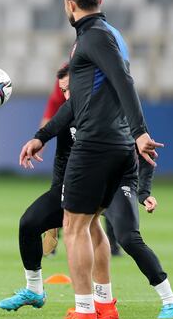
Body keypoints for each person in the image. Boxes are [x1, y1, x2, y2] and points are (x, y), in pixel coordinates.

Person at [21, 0, 163, 319]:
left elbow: (123, 80)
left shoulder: (94, 38)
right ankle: (103, 306)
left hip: (96, 145)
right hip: (113, 145)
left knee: (73, 226)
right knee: (91, 225)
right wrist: (43, 135)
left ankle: (83, 313)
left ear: (70, 4)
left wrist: (141, 131)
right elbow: (81, 102)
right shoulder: (109, 35)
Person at [2, 64, 173, 319]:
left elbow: (144, 153)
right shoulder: (68, 112)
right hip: (80, 184)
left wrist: (143, 193)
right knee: (30, 222)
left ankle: (170, 302)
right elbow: (61, 156)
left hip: (116, 181)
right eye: (63, 91)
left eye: (70, 89)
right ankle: (36, 290)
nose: (67, 96)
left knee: (127, 238)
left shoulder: (111, 112)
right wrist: (58, 197)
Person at [40, 77, 121, 257]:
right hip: (70, 138)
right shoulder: (67, 76)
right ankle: (52, 238)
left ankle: (114, 243)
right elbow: (53, 106)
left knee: (104, 191)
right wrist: (41, 139)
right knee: (61, 188)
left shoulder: (100, 74)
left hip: (97, 139)